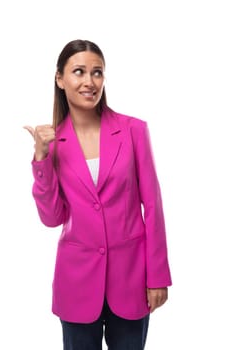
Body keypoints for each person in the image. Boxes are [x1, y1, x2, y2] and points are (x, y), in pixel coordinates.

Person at [24, 39, 172, 350]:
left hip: (132, 279)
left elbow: (154, 207)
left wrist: (158, 276)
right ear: (60, 78)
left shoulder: (133, 130)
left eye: (97, 73)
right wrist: (41, 158)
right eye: (79, 72)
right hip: (76, 282)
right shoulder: (52, 142)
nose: (90, 82)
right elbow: (52, 218)